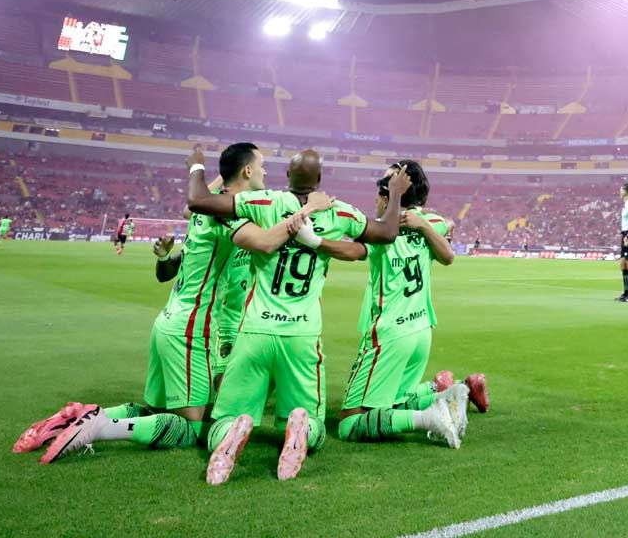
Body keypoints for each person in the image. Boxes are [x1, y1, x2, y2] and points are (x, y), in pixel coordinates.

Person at [23, 142, 283, 463]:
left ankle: (80, 415)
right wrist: (303, 219)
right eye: (261, 165)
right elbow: (263, 242)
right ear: (247, 170)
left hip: (168, 323)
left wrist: (218, 176)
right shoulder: (225, 212)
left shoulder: (206, 209)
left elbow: (191, 207)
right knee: (193, 428)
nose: (265, 171)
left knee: (156, 411)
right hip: (191, 329)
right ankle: (102, 427)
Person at [187, 147, 429, 484]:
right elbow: (386, 233)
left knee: (224, 416)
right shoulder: (337, 212)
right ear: (319, 179)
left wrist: (197, 166)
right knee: (314, 424)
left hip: (256, 330)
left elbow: (198, 201)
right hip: (302, 336)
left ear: (287, 175)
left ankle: (231, 432)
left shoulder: (265, 201)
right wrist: (397, 194)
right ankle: (300, 428)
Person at [338, 160, 485, 445]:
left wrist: (313, 241)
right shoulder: (431, 223)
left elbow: (351, 249)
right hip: (420, 330)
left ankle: (431, 418)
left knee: (350, 423)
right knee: (394, 401)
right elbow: (448, 227)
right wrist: (423, 221)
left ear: (390, 196)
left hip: (391, 334)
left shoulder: (379, 232)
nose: (377, 195)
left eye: (383, 189)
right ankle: (451, 393)